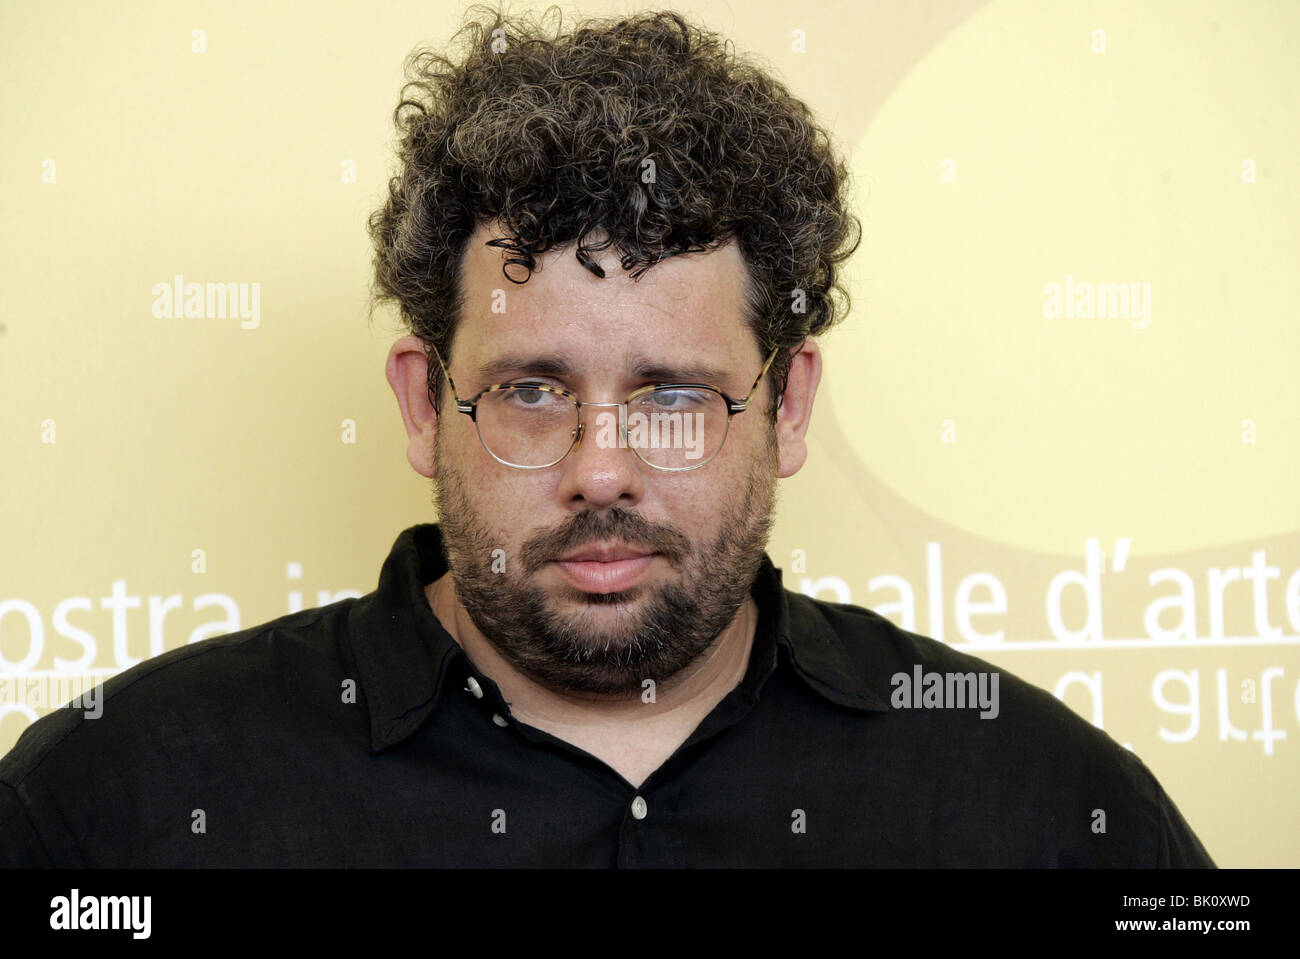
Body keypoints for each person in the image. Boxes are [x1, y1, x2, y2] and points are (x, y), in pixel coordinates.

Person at [0, 7, 1212, 867]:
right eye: (532, 390)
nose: (600, 467)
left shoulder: (1048, 810)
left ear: (785, 409)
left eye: (676, 396)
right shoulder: (114, 805)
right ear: (427, 406)